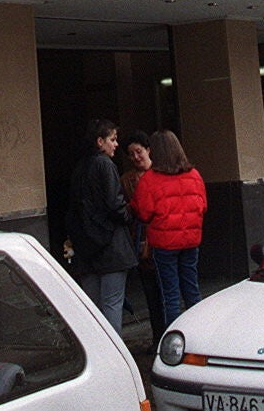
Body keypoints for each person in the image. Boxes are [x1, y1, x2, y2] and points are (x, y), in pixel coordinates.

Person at [66, 118, 137, 333]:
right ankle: (115, 358)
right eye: (113, 139)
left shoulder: (80, 167)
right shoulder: (105, 165)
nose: (116, 145)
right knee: (112, 305)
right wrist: (128, 215)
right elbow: (115, 205)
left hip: (88, 250)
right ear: (100, 141)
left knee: (93, 309)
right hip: (112, 249)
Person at [129, 130, 207, 326]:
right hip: (190, 240)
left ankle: (173, 339)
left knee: (170, 296)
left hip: (164, 244)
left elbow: (144, 213)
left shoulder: (149, 179)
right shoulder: (194, 175)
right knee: (192, 290)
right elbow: (203, 206)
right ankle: (197, 333)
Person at [120, 130, 165, 346]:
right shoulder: (126, 180)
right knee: (151, 293)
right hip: (140, 240)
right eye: (131, 154)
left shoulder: (163, 173)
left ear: (148, 149)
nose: (136, 157)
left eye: (138, 151)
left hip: (163, 238)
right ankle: (157, 338)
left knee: (168, 291)